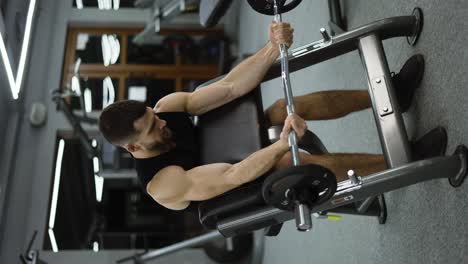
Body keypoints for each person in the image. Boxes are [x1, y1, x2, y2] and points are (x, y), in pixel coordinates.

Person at [99, 22, 431, 210]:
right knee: (290, 161)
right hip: (229, 189)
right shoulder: (162, 184)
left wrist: (272, 46)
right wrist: (281, 145)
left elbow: (229, 88)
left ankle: (396, 93)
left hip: (227, 148)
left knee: (281, 110)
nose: (161, 120)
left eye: (152, 115)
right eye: (151, 128)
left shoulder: (165, 108)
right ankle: (408, 160)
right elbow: (231, 177)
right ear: (134, 149)